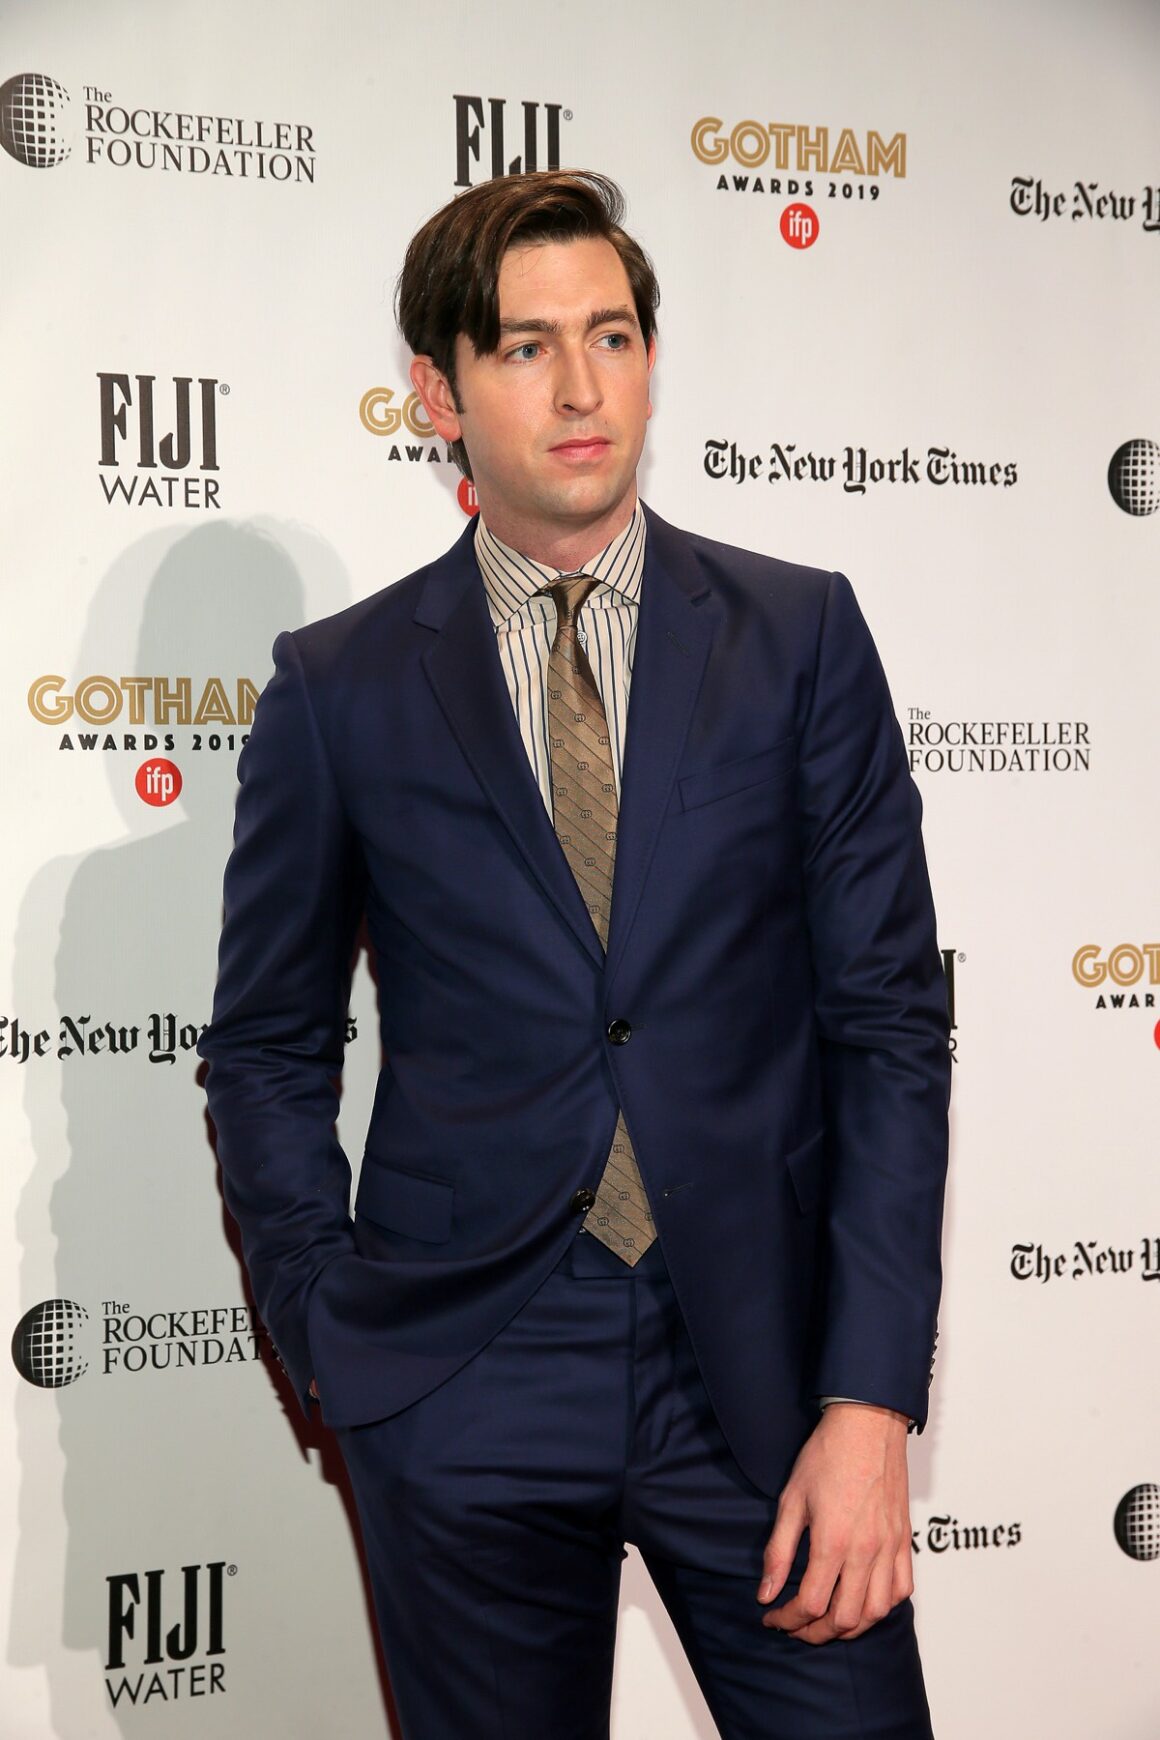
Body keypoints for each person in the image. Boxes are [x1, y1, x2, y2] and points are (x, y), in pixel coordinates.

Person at [199, 169, 950, 1739]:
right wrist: (332, 1329)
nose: (583, 383)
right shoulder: (342, 688)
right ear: (439, 390)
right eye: (528, 346)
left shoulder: (798, 636)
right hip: (462, 1370)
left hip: (762, 1367)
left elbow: (887, 1026)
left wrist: (871, 1400)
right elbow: (269, 1046)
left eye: (612, 334)